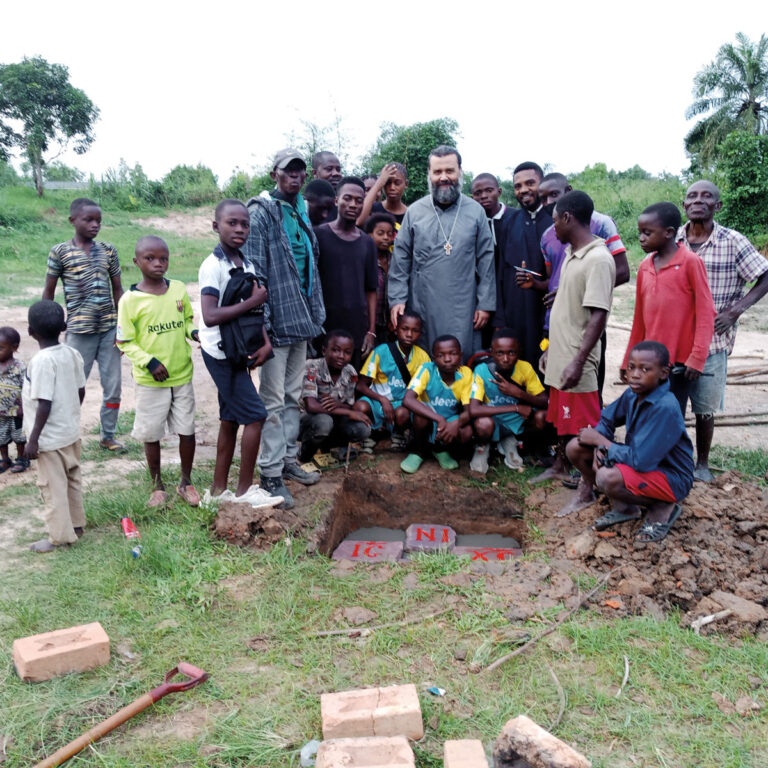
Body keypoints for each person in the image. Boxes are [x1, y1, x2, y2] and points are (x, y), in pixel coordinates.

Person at [244, 149, 326, 508]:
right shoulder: (260, 214)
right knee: (273, 401)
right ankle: (270, 473)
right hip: (276, 324)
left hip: (301, 319)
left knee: (293, 396)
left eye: (300, 172)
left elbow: (309, 264)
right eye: (288, 171)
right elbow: (255, 274)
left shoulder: (299, 210)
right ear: (274, 173)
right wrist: (261, 330)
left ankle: (288, 461)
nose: (295, 177)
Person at [676, 180, 768, 482]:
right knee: (673, 404)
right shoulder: (674, 238)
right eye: (692, 196)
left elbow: (765, 275)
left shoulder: (733, 241)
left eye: (706, 197)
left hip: (713, 342)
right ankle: (676, 459)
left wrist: (735, 310)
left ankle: (702, 464)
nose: (698, 201)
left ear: (719, 205)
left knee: (704, 407)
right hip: (675, 341)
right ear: (684, 204)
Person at [566, 341, 694, 543]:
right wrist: (600, 445)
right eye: (631, 367)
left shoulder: (665, 407)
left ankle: (663, 505)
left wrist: (602, 442)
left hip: (671, 477)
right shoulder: (633, 393)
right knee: (576, 447)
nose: (634, 374)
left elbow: (641, 461)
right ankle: (626, 507)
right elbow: (608, 419)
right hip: (642, 463)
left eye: (645, 369)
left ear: (663, 373)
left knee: (607, 477)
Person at [199, 200, 282, 508]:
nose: (239, 229)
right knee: (256, 416)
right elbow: (210, 315)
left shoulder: (245, 265)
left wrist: (265, 342)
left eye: (244, 224)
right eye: (232, 223)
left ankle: (218, 492)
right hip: (219, 352)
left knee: (230, 419)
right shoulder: (213, 266)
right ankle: (246, 491)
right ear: (216, 226)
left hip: (237, 349)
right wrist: (253, 300)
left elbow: (254, 311)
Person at [536, 191, 615, 513]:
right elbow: (570, 310)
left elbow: (598, 315)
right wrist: (552, 349)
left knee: (584, 429)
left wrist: (578, 362)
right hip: (561, 354)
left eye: (554, 219)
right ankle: (560, 466)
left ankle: (588, 486)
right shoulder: (573, 253)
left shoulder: (598, 259)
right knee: (564, 423)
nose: (552, 225)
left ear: (567, 218)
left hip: (576, 361)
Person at [116, 236, 201, 508]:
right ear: (136, 262)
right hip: (151, 380)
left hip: (181, 374)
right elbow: (125, 340)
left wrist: (195, 332)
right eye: (150, 258)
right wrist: (149, 362)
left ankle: (185, 482)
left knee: (187, 430)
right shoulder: (130, 300)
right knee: (152, 433)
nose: (158, 263)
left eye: (163, 258)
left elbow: (186, 321)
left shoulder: (177, 289)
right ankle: (157, 485)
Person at [389, 146, 495, 360]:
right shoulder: (415, 212)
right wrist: (397, 299)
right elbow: (400, 260)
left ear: (460, 172)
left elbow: (486, 260)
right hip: (422, 302)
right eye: (437, 172)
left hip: (463, 305)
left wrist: (485, 304)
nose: (444, 177)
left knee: (460, 361)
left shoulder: (475, 212)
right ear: (429, 174)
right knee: (424, 359)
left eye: (450, 171)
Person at [537, 172, 630, 399]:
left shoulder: (600, 235)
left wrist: (579, 293)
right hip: (560, 331)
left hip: (582, 330)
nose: (548, 203)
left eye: (553, 195)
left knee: (586, 398)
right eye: (543, 198)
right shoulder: (557, 240)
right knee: (562, 401)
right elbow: (556, 280)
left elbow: (620, 274)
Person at [42, 198, 124, 451]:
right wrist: (48, 327)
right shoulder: (60, 252)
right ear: (72, 221)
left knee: (113, 388)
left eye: (98, 220)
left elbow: (118, 290)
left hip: (109, 329)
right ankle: (66, 434)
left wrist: (123, 327)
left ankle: (108, 435)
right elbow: (49, 293)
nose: (95, 225)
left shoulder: (108, 250)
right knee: (73, 386)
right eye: (88, 220)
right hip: (78, 331)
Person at [623, 203, 715, 415]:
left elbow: (705, 313)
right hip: (648, 360)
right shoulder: (645, 267)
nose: (641, 238)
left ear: (669, 233)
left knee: (671, 414)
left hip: (678, 363)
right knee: (645, 411)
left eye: (647, 233)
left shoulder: (691, 262)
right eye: (640, 233)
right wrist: (628, 359)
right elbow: (639, 319)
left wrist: (698, 357)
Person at [22, 300, 86, 553]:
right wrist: (71, 415)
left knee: (53, 488)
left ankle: (59, 536)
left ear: (30, 332)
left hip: (49, 439)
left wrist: (33, 440)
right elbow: (80, 390)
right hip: (69, 432)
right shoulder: (72, 353)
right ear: (64, 326)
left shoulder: (40, 362)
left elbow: (44, 403)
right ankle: (77, 524)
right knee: (72, 480)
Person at [493, 162, 552, 372]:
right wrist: (500, 316)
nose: (523, 190)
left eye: (530, 183)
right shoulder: (509, 222)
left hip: (547, 309)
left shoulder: (557, 221)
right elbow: (500, 271)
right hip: (515, 309)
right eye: (518, 186)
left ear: (542, 184)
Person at [315, 177, 379, 369]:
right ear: (336, 201)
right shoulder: (318, 235)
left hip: (356, 329)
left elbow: (371, 289)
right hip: (324, 327)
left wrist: (371, 331)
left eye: (359, 200)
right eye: (347, 198)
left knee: (351, 385)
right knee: (319, 387)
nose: (353, 204)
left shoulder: (367, 242)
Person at [468, 328, 548, 474]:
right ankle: (482, 447)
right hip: (493, 421)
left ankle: (512, 441)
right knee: (483, 423)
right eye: (500, 353)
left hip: (515, 422)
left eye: (511, 353)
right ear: (492, 352)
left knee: (541, 417)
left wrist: (519, 393)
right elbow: (474, 409)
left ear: (519, 353)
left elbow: (544, 402)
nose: (505, 358)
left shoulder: (525, 368)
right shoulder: (482, 370)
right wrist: (515, 408)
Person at [354, 309, 430, 449]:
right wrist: (382, 400)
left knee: (403, 413)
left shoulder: (422, 357)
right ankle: (371, 434)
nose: (409, 334)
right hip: (377, 400)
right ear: (396, 329)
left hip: (402, 404)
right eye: (405, 329)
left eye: (415, 331)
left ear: (420, 334)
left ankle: (398, 433)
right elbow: (361, 386)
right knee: (360, 406)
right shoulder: (381, 351)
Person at [400, 335, 474, 473]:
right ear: (434, 358)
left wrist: (455, 424)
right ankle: (418, 451)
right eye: (441, 355)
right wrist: (438, 418)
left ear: (461, 355)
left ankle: (440, 450)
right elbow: (408, 399)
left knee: (467, 431)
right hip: (426, 420)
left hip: (448, 420)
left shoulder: (466, 374)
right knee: (421, 415)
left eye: (453, 354)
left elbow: (468, 410)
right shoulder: (427, 369)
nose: (447, 359)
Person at [299, 329, 371, 462]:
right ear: (324, 350)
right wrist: (347, 411)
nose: (341, 356)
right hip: (308, 421)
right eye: (336, 350)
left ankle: (332, 448)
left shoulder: (351, 373)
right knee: (324, 422)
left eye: (347, 352)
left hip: (334, 420)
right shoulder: (311, 367)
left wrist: (340, 405)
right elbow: (311, 406)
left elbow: (349, 405)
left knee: (363, 428)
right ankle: (304, 455)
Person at [471, 173, 515, 348]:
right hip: (480, 298)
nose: (483, 196)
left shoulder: (515, 219)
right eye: (477, 193)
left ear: (499, 191)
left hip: (509, 295)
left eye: (489, 190)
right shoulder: (470, 222)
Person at [363, 212, 396, 344]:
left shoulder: (395, 260)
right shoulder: (365, 259)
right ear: (369, 235)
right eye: (380, 233)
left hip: (388, 326)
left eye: (389, 234)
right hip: (368, 324)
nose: (386, 238)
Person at [0, 327, 27, 473]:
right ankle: (4, 459)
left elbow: (27, 387)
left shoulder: (19, 367)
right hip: (0, 412)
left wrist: (24, 406)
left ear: (14, 348)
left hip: (17, 411)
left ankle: (21, 458)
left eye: (1, 348)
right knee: (1, 436)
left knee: (19, 436)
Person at [356, 162, 409, 228]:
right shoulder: (373, 209)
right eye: (387, 183)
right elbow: (358, 221)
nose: (392, 187)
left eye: (397, 183)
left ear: (406, 184)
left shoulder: (410, 214)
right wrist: (379, 182)